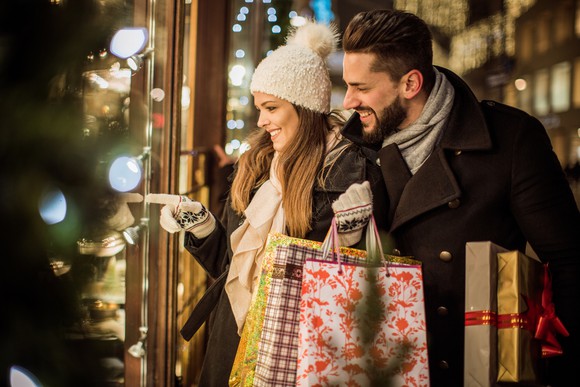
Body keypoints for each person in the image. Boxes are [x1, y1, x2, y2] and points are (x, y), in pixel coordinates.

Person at [340, 9, 580, 387]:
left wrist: (554, 371)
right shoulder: (352, 150)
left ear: (410, 83)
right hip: (379, 368)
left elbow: (570, 263)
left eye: (361, 88)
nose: (348, 102)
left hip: (471, 367)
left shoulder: (512, 140)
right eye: (347, 86)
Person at [147, 20, 387, 386]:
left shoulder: (353, 170)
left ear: (304, 107)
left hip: (301, 355)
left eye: (271, 108)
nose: (262, 121)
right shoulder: (255, 166)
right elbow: (230, 269)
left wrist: (349, 241)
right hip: (232, 347)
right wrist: (203, 226)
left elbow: (352, 292)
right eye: (260, 108)